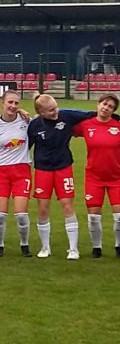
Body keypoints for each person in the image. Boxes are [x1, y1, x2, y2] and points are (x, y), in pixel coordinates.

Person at [27, 93, 94, 260]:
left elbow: (89, 115)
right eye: (50, 110)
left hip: (64, 168)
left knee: (67, 205)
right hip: (43, 170)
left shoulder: (66, 116)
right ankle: (45, 247)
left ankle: (73, 249)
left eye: (56, 107)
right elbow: (25, 147)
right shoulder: (35, 125)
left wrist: (112, 117)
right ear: (41, 112)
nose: (55, 112)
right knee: (42, 208)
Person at [73, 94, 120, 258]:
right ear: (98, 104)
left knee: (119, 216)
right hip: (94, 177)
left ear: (113, 111)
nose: (106, 108)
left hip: (117, 178)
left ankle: (118, 246)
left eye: (111, 107)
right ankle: (96, 248)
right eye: (104, 104)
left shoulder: (118, 125)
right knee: (93, 216)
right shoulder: (86, 125)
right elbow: (62, 126)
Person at [0, 90, 32, 258]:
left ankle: (25, 245)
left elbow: (45, 118)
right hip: (1, 172)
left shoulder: (26, 120)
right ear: (2, 103)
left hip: (21, 171)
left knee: (21, 215)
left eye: (16, 103)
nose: (13, 106)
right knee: (0, 215)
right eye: (10, 103)